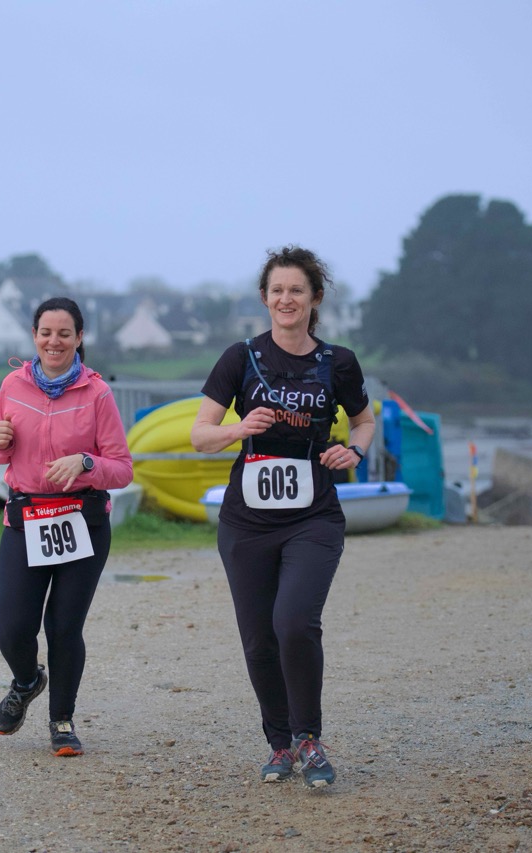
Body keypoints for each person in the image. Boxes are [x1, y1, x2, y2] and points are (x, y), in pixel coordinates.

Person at [190, 246, 376, 788]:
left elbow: (364, 422)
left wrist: (355, 451)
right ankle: (280, 745)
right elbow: (200, 435)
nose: (286, 299)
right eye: (277, 290)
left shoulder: (338, 362)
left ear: (315, 298)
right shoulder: (240, 358)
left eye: (297, 290)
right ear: (264, 298)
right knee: (258, 639)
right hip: (246, 522)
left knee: (294, 622)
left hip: (312, 517)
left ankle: (309, 738)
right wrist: (238, 428)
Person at [0, 296, 133, 757]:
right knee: (13, 629)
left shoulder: (97, 393)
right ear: (34, 337)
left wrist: (86, 462)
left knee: (64, 627)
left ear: (79, 338)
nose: (54, 341)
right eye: (46, 333)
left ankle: (62, 721)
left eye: (64, 333)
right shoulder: (12, 384)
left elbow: (122, 469)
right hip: (26, 519)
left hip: (82, 522)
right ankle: (27, 681)